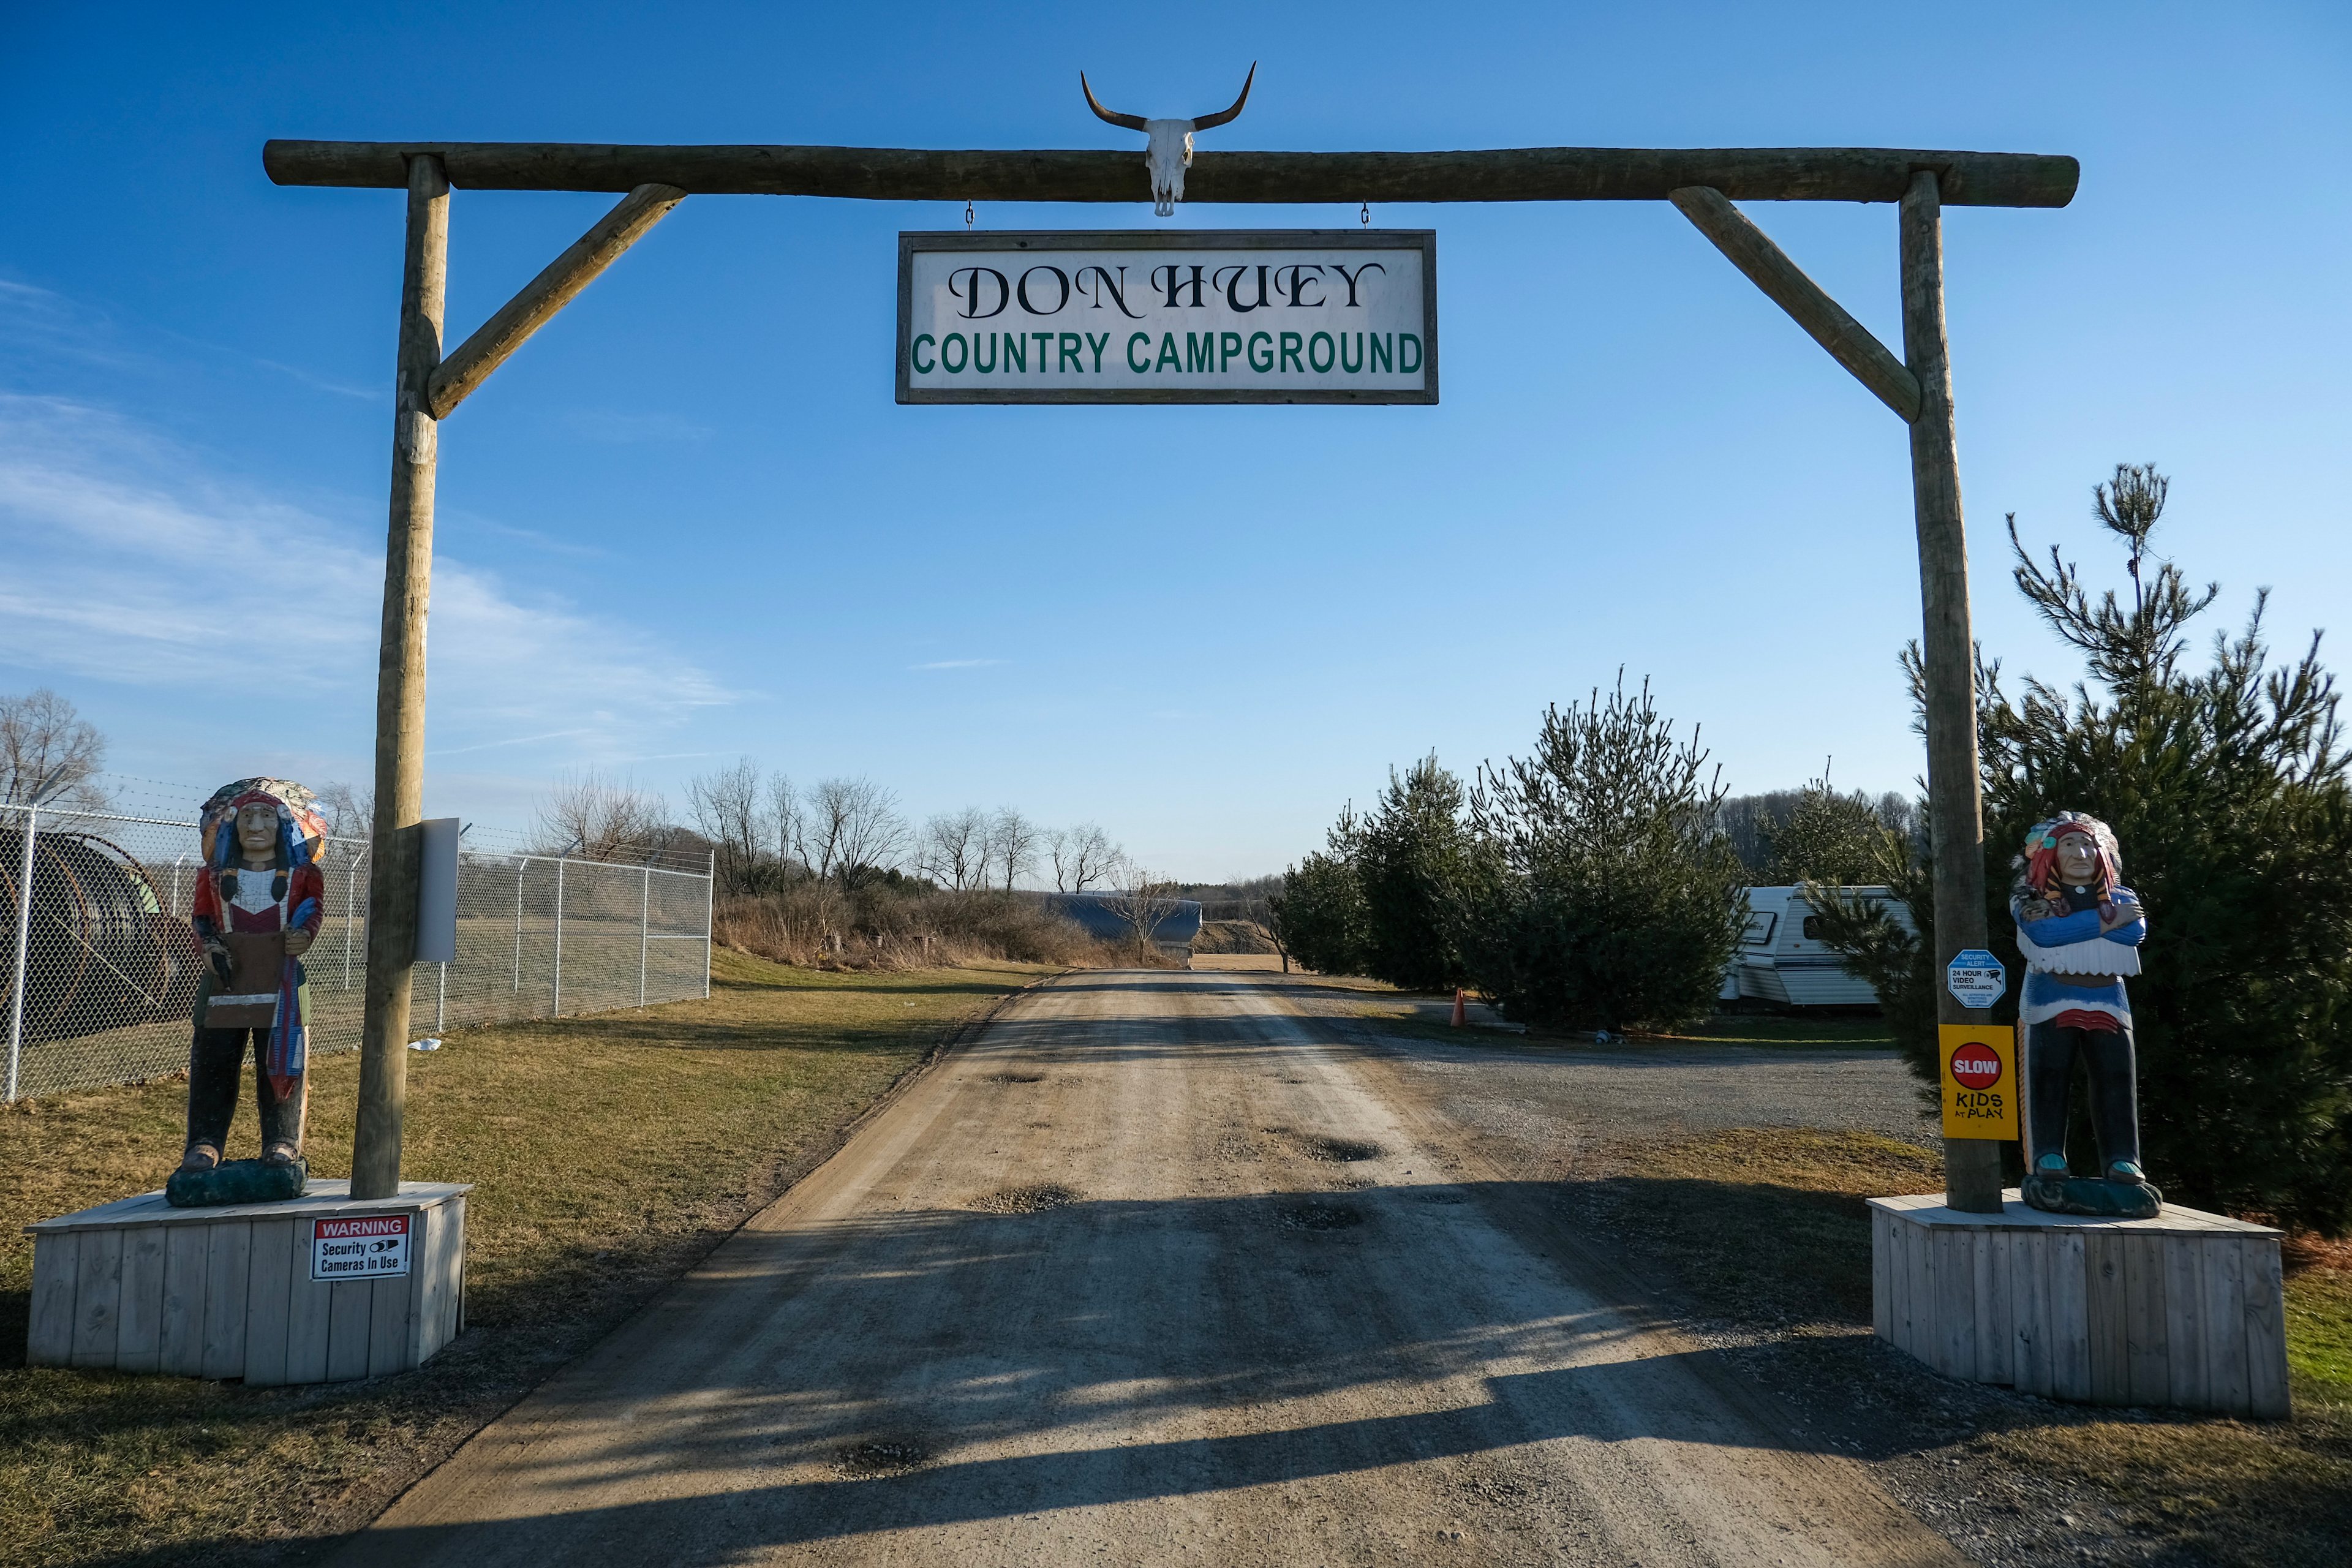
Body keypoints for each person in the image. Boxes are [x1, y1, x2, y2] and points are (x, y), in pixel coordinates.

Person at [2011, 812, 2159, 1215]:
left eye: (2089, 845)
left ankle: (2122, 1158)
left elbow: (2135, 932)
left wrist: (2086, 924)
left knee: (2116, 1077)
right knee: (2049, 1076)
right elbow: (2043, 933)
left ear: (2103, 854)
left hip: (2110, 1001)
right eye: (2069, 845)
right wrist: (2105, 921)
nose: (2081, 852)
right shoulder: (2029, 896)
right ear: (2048, 856)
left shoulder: (2122, 894)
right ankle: (2047, 1155)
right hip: (2050, 1000)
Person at [179, 778, 328, 1175]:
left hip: (281, 982)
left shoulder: (304, 876)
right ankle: (204, 1142)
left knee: (282, 1063)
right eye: (248, 816)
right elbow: (202, 918)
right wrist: (209, 947)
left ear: (284, 826)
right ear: (232, 824)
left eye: (267, 816)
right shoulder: (212, 876)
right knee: (214, 1063)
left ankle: (282, 1140)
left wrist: (304, 934)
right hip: (226, 981)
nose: (257, 826)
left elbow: (311, 910)